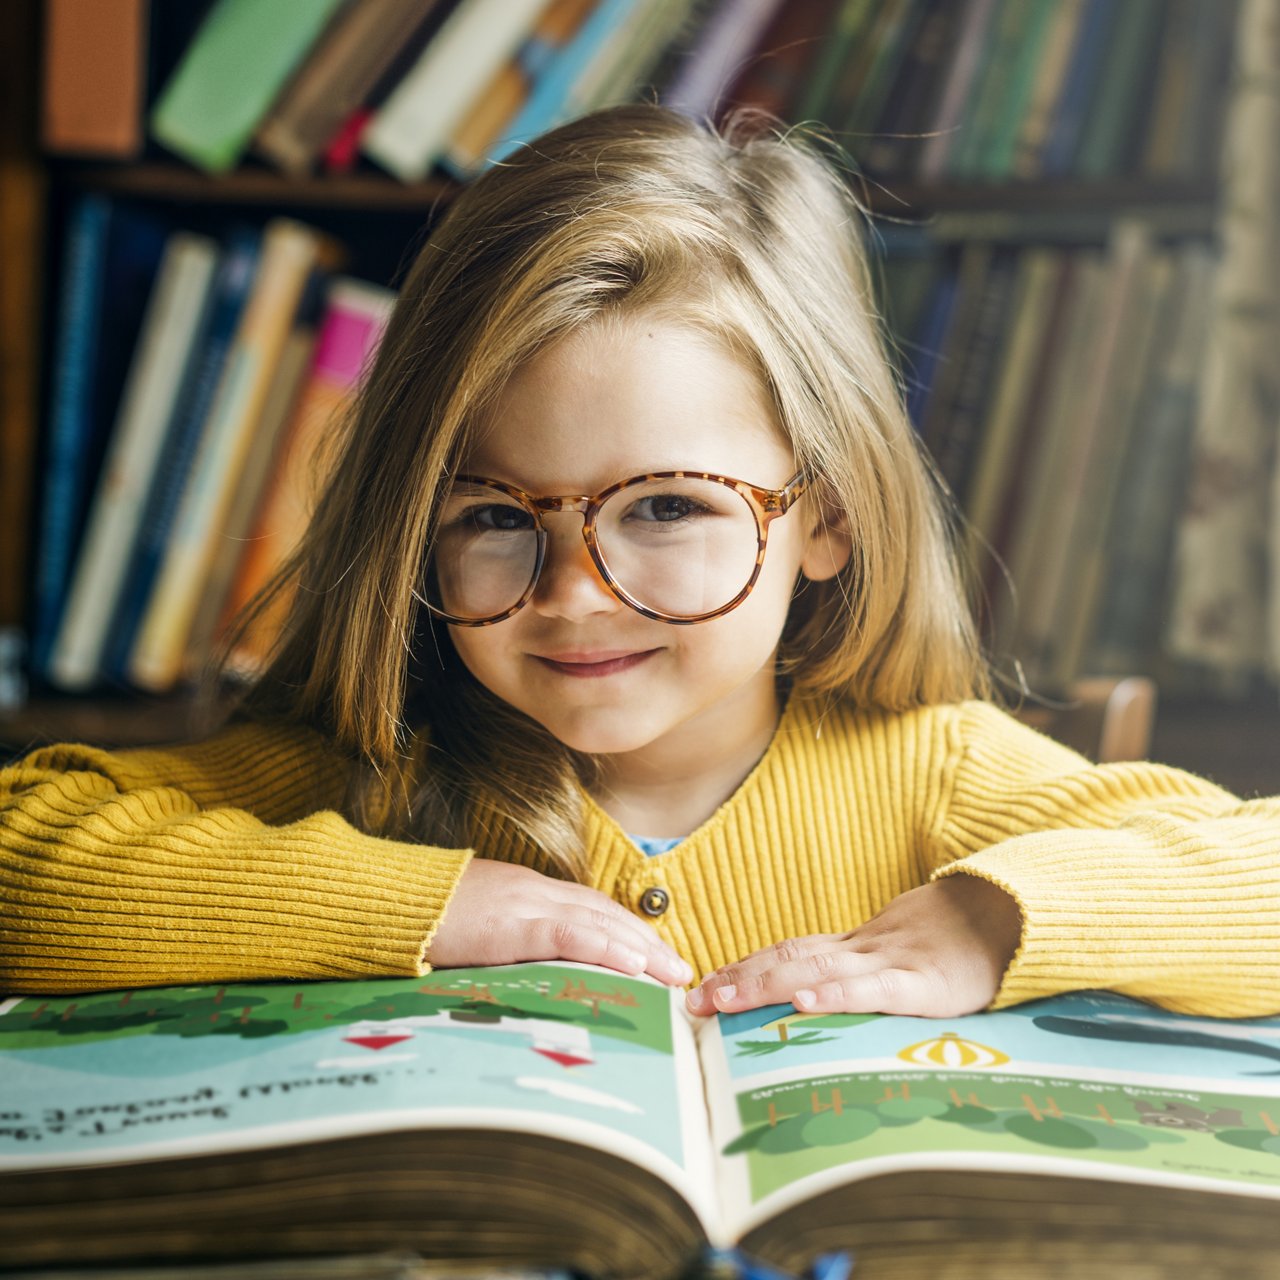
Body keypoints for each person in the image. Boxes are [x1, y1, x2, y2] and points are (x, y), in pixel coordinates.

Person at [2, 105, 1277, 1020]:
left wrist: (990, 918)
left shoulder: (928, 771)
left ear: (822, 515)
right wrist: (425, 907)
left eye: (666, 506)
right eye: (494, 515)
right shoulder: (379, 769)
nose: (572, 594)